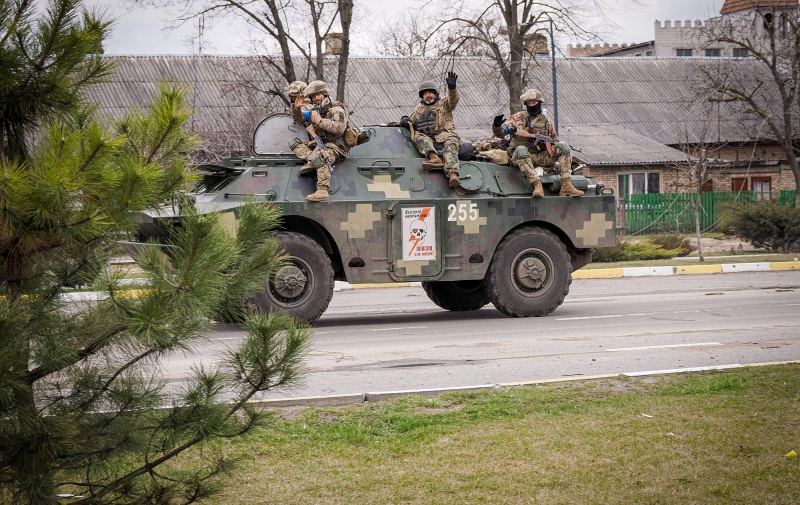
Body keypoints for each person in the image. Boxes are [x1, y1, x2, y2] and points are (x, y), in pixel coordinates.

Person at [492, 89, 583, 198]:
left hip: (540, 157)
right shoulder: (518, 118)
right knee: (521, 149)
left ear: (539, 103)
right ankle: (537, 185)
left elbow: (555, 141)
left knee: (563, 146)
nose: (532, 105)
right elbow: (501, 133)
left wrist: (546, 144)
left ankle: (566, 185)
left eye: (534, 103)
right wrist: (497, 126)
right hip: (521, 157)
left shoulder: (547, 122)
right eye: (529, 104)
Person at [288, 80, 349, 202]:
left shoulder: (336, 109)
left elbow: (339, 129)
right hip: (320, 144)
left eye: (318, 95)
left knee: (320, 158)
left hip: (336, 147)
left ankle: (322, 190)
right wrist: (296, 108)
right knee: (294, 142)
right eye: (313, 96)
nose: (316, 98)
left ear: (325, 93)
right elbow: (299, 119)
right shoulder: (315, 110)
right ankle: (311, 159)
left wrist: (319, 121)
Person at [401, 71, 462, 188]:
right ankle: (434, 158)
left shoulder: (444, 104)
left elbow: (453, 100)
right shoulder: (420, 108)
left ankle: (453, 174)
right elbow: (413, 121)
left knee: (450, 145)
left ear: (435, 93)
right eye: (425, 93)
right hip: (429, 138)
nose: (427, 95)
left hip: (446, 135)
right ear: (422, 96)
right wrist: (405, 120)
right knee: (418, 137)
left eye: (430, 92)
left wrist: (452, 88)